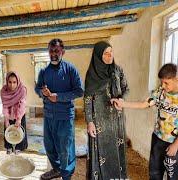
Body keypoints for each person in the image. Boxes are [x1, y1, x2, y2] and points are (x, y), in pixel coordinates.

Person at [111, 63, 178, 180]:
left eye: (166, 82)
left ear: (176, 79)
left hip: (174, 143)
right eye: (161, 82)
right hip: (158, 139)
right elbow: (143, 104)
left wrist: (176, 145)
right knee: (154, 173)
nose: (163, 85)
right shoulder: (160, 92)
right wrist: (122, 104)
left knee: (173, 176)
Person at [35, 38, 84, 180]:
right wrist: (42, 93)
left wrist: (59, 97)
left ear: (63, 51)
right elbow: (37, 88)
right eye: (51, 51)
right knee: (49, 146)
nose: (53, 53)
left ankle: (66, 176)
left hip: (65, 117)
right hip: (49, 115)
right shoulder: (44, 71)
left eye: (56, 50)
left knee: (65, 149)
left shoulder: (70, 70)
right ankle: (57, 169)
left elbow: (79, 91)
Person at [84, 41, 129, 179]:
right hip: (99, 120)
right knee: (100, 151)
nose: (110, 56)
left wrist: (121, 99)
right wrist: (90, 122)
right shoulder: (92, 74)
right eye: (106, 53)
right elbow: (87, 99)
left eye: (111, 52)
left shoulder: (118, 70)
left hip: (116, 118)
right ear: (98, 55)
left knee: (116, 148)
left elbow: (125, 88)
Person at [0, 71, 28, 154]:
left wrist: (19, 119)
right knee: (8, 130)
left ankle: (18, 148)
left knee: (19, 131)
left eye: (14, 82)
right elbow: (5, 106)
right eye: (10, 82)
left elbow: (22, 104)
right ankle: (9, 147)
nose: (12, 85)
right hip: (8, 114)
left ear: (18, 81)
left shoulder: (22, 90)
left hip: (19, 113)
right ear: (7, 81)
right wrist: (6, 119)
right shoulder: (4, 91)